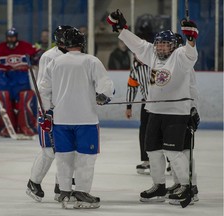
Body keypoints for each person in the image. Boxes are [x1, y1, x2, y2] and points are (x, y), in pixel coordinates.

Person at [107, 9, 199, 202]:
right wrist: (121, 30)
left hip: (176, 113)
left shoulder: (181, 56)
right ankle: (159, 186)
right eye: (158, 44)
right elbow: (137, 44)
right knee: (153, 150)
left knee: (174, 152)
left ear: (174, 46)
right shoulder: (152, 55)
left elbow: (191, 54)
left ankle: (186, 186)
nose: (161, 48)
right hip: (154, 111)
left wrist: (191, 39)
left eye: (165, 45)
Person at [38, 27, 114, 209]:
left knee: (64, 158)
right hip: (85, 119)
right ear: (82, 44)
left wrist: (48, 111)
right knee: (86, 158)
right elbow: (106, 85)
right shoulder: (91, 60)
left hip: (61, 120)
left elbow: (43, 89)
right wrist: (104, 96)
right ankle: (81, 192)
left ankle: (64, 192)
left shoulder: (55, 62)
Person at [26, 25, 73, 202]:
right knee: (50, 151)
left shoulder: (74, 55)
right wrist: (47, 112)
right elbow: (43, 86)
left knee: (67, 150)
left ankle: (61, 186)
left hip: (67, 110)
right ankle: (33, 183)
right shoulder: (49, 56)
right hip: (50, 110)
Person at [0, 28, 39, 137]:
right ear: (6, 37)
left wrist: (36, 58)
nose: (11, 39)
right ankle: (6, 127)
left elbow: (39, 53)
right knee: (2, 99)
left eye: (13, 37)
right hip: (4, 79)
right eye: (9, 37)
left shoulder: (25, 46)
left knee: (26, 98)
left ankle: (26, 126)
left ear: (16, 37)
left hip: (21, 78)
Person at [166, 33, 200, 205]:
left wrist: (193, 110)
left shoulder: (184, 64)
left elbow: (191, 89)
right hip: (175, 111)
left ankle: (191, 188)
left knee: (184, 151)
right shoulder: (173, 64)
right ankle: (180, 182)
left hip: (185, 111)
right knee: (176, 151)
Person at [125, 22, 154, 174]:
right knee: (144, 132)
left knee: (162, 133)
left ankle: (169, 161)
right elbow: (132, 87)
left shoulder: (157, 64)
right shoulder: (136, 69)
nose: (137, 55)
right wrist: (129, 107)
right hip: (146, 104)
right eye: (135, 53)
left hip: (162, 105)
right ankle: (146, 160)